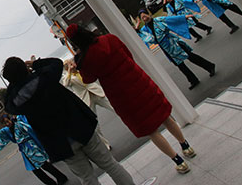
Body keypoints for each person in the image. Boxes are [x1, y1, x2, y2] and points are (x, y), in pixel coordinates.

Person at [66, 24, 196, 174]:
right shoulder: (109, 39)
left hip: (122, 96)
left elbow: (88, 79)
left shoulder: (86, 59)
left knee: (151, 130)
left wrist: (78, 63)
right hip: (139, 81)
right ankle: (186, 146)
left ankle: (179, 162)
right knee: (165, 116)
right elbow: (128, 54)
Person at [3, 56, 135, 185]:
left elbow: (7, 104)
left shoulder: (17, 101)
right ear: (25, 68)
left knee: (87, 179)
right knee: (110, 165)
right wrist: (35, 64)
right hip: (80, 127)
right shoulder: (45, 77)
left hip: (61, 144)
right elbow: (56, 62)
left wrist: (13, 83)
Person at [137, 9, 215, 90]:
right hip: (166, 49)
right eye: (142, 18)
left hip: (174, 43)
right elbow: (141, 35)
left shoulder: (158, 20)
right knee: (180, 65)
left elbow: (172, 20)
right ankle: (193, 80)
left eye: (145, 16)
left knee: (190, 57)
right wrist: (136, 28)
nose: (145, 18)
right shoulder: (144, 29)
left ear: (148, 14)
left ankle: (210, 66)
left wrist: (184, 17)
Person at [0, 112, 68, 185]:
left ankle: (61, 178)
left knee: (44, 165)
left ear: (9, 119)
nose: (7, 124)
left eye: (7, 121)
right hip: (25, 151)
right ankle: (52, 182)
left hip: (31, 147)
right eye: (5, 123)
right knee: (35, 170)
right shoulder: (6, 130)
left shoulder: (18, 122)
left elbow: (28, 127)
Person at [61, 59, 113, 149]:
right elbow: (66, 84)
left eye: (72, 63)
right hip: (86, 99)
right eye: (69, 64)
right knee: (95, 125)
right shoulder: (67, 77)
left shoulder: (81, 69)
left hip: (97, 93)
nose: (72, 65)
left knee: (114, 107)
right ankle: (106, 145)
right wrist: (69, 70)